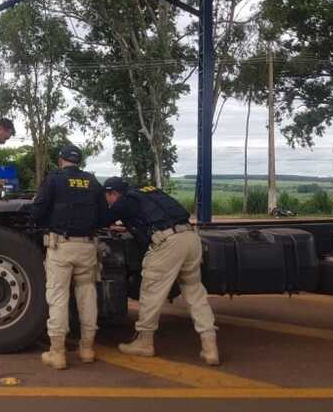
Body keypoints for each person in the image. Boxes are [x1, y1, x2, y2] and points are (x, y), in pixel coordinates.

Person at [103, 177, 220, 365]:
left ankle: (145, 342)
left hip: (168, 244)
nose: (108, 201)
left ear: (113, 193)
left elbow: (102, 218)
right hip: (191, 238)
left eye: (107, 197)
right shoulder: (148, 192)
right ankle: (210, 347)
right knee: (195, 293)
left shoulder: (124, 201)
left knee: (151, 292)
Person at [31, 145, 106, 370]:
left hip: (61, 246)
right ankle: (87, 349)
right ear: (78, 161)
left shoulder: (54, 180)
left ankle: (57, 353)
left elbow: (37, 213)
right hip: (87, 247)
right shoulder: (92, 182)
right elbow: (103, 215)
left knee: (58, 297)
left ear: (61, 160)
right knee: (87, 295)